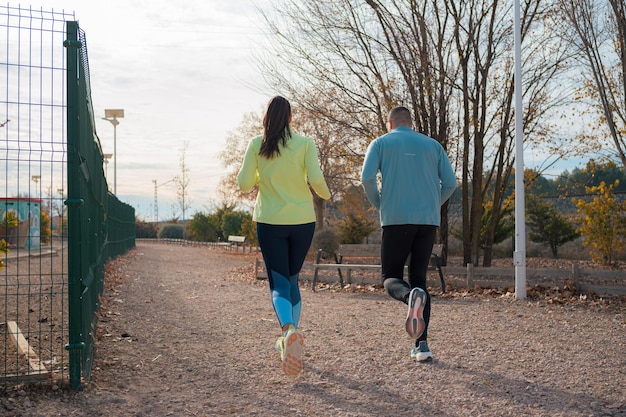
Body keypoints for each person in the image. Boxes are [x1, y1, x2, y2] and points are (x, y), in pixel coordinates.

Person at [237, 96, 331, 376]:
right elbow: (315, 179)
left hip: (270, 221)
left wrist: (260, 173)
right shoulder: (305, 143)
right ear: (291, 118)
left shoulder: (257, 145)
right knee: (292, 279)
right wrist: (327, 195)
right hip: (303, 222)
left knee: (278, 282)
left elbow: (244, 184)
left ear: (266, 119)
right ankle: (289, 340)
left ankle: (288, 332)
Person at [360, 106, 457, 362]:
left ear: (389, 123)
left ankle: (407, 297)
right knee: (419, 280)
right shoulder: (433, 145)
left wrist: (381, 205)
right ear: (411, 123)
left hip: (395, 220)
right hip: (427, 222)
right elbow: (451, 183)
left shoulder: (381, 143)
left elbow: (367, 178)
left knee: (390, 276)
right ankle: (422, 346)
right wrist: (432, 205)